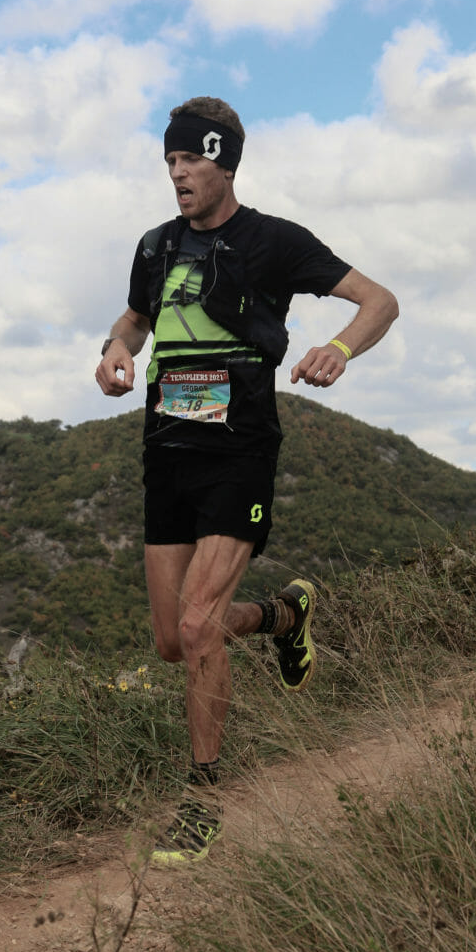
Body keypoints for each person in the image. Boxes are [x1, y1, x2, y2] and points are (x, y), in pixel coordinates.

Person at [95, 96, 398, 865]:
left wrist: (339, 348)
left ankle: (202, 798)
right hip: (165, 445)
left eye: (190, 160)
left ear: (224, 160)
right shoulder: (156, 246)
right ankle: (283, 617)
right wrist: (114, 350)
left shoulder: (274, 241)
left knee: (199, 625)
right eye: (169, 161)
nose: (177, 174)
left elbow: (378, 300)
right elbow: (134, 319)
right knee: (173, 640)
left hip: (239, 448)